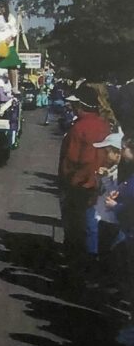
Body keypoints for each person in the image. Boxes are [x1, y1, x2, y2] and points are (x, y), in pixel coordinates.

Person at [58, 84, 109, 261]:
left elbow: (72, 159)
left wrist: (68, 180)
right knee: (93, 222)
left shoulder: (79, 128)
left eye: (75, 104)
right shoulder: (104, 124)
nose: (72, 107)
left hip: (79, 183)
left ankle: (80, 259)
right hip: (100, 181)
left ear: (82, 106)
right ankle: (92, 257)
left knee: (77, 223)